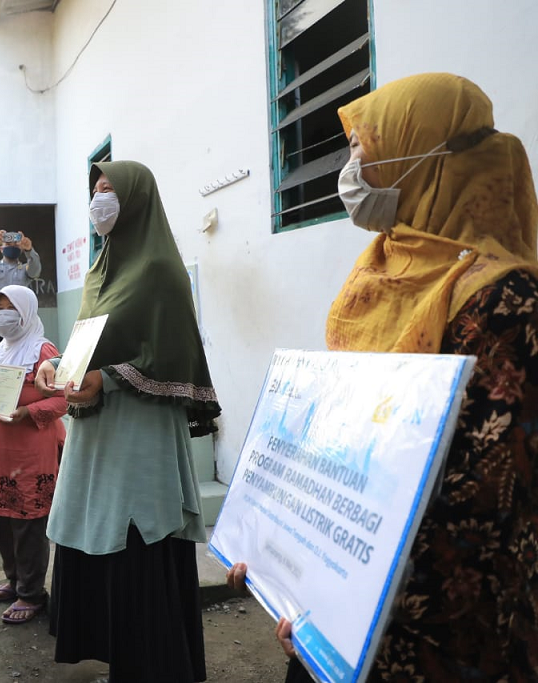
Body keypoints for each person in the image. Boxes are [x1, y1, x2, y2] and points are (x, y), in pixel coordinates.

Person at [230, 73, 538, 681]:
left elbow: (489, 505)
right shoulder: (383, 267)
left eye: (366, 154)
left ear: (430, 162)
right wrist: (288, 566)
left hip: (440, 635)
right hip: (340, 624)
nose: (353, 172)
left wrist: (330, 594)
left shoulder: (507, 305)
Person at [35, 160, 221, 683]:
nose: (100, 199)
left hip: (139, 440)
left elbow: (173, 354)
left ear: (136, 199)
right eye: (95, 190)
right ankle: (121, 662)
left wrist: (110, 378)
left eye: (110, 189)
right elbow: (83, 346)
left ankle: (156, 667)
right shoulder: (99, 271)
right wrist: (56, 366)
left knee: (138, 548)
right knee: (98, 546)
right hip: (94, 438)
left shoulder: (160, 271)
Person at [0, 284, 66, 625]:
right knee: (0, 518)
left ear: (27, 310)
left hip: (30, 455)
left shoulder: (44, 351)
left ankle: (32, 594)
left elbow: (64, 397)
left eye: (10, 307)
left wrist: (27, 413)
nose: (3, 314)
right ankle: (14, 580)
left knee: (28, 525)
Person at [0, 229, 41, 380]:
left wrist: (29, 250)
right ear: (1, 248)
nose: (12, 245)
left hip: (19, 322)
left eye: (16, 243)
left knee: (17, 362)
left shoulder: (25, 269)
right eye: (8, 242)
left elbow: (36, 270)